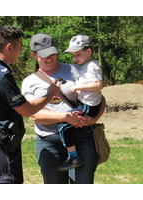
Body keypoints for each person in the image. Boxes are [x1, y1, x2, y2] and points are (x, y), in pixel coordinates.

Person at [0, 26, 61, 184]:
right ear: (9, 47)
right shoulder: (1, 75)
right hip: (2, 147)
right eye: (20, 47)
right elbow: (27, 110)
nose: (21, 51)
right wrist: (50, 94)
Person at [21, 33, 106, 184]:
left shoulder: (73, 69)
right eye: (44, 55)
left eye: (52, 54)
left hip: (82, 137)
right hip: (49, 141)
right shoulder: (29, 82)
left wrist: (94, 119)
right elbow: (34, 114)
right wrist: (66, 118)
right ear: (33, 55)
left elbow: (99, 97)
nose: (49, 58)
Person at [57, 34, 104, 171]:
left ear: (88, 52)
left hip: (89, 106)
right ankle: (73, 156)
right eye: (73, 55)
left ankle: (74, 157)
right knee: (65, 125)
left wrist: (78, 87)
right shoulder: (86, 66)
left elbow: (99, 85)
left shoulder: (92, 67)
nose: (75, 58)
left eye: (78, 54)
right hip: (84, 104)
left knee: (63, 127)